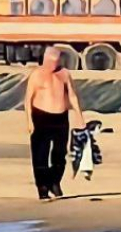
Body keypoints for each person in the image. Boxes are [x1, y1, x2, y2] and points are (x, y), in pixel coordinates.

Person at [24, 47, 86, 200]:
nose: (51, 65)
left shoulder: (64, 74)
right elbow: (28, 100)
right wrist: (29, 121)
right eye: (49, 62)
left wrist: (79, 116)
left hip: (60, 118)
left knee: (60, 154)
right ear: (45, 59)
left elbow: (72, 96)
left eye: (55, 62)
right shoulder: (37, 75)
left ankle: (54, 181)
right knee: (40, 155)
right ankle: (42, 188)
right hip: (41, 117)